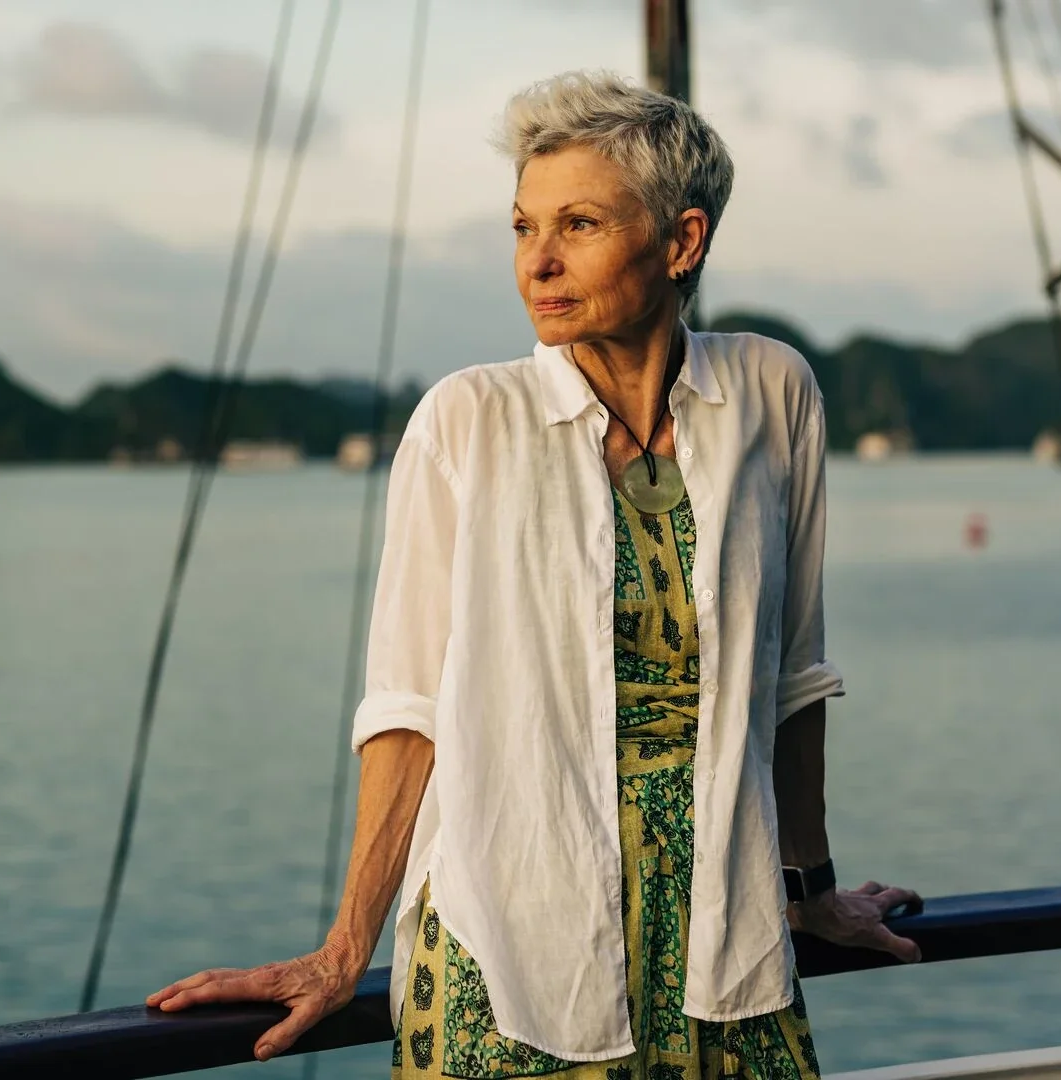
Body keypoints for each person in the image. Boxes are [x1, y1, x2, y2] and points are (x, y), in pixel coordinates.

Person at [146, 70, 922, 1078]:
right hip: (512, 944)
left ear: (682, 241)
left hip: (728, 933)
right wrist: (344, 952)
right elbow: (409, 708)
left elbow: (794, 679)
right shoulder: (467, 421)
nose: (538, 262)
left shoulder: (772, 393)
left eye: (579, 225)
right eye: (523, 227)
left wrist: (810, 892)